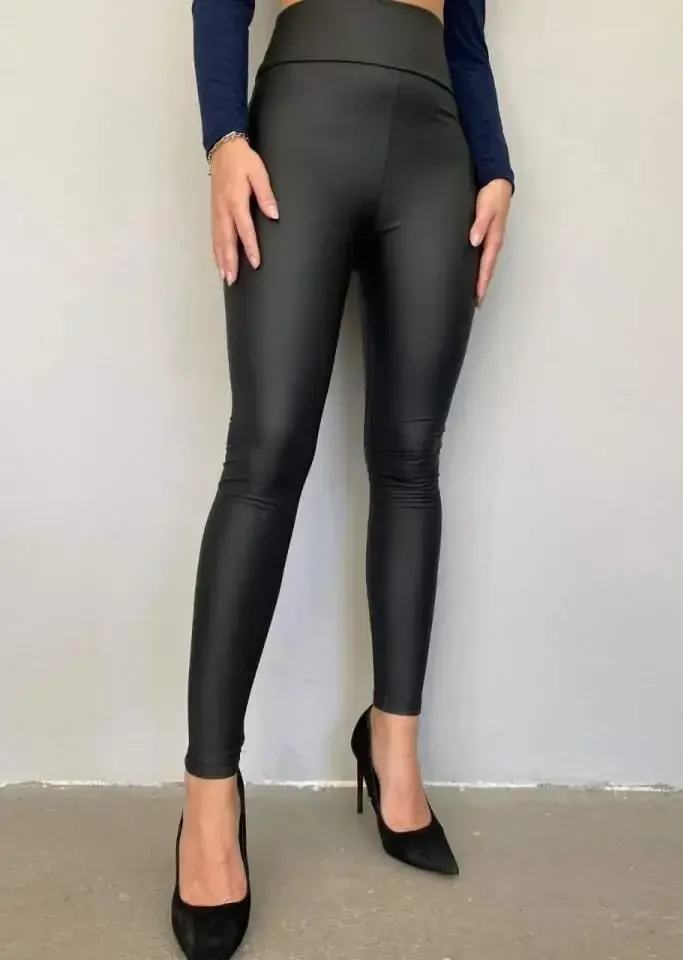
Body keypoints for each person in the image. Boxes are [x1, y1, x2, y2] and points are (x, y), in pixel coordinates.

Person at [171, 0, 513, 955]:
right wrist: (222, 136)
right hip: (303, 126)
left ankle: (394, 750)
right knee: (264, 456)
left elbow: (467, 34)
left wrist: (496, 165)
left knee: (410, 459)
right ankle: (209, 800)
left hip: (438, 145)